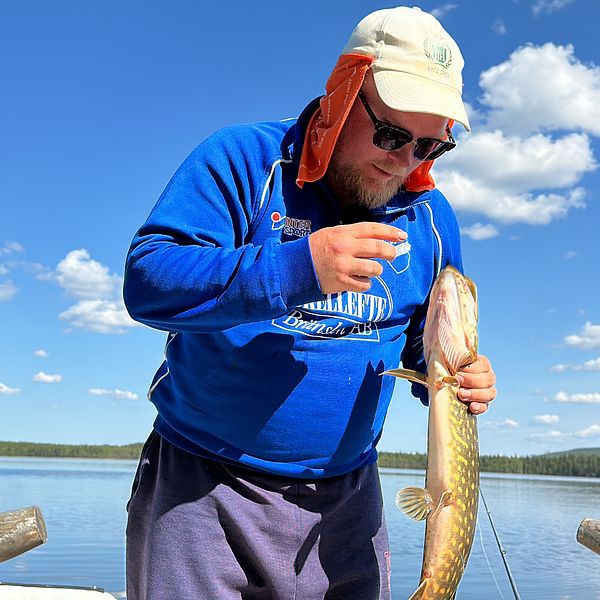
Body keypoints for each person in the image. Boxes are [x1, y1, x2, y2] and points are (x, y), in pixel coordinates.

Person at [123, 6, 497, 600]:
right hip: (203, 488)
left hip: (348, 503)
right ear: (345, 92)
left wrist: (457, 380)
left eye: (430, 147)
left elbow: (426, 343)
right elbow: (149, 282)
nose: (405, 162)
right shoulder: (244, 160)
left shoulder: (431, 217)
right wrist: (298, 268)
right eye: (392, 135)